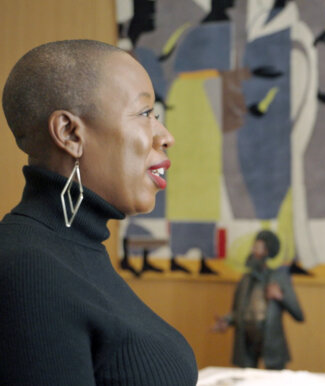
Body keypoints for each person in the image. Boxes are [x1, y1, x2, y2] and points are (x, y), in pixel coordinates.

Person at [0, 40, 198, 384]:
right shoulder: (26, 269)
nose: (165, 136)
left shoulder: (76, 247)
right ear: (70, 133)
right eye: (144, 113)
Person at [212, 230, 304, 369]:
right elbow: (238, 311)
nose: (253, 251)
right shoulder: (245, 280)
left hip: (271, 343)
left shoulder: (279, 278)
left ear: (267, 252)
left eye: (257, 247)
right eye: (253, 247)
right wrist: (227, 320)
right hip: (247, 342)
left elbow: (299, 315)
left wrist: (280, 297)